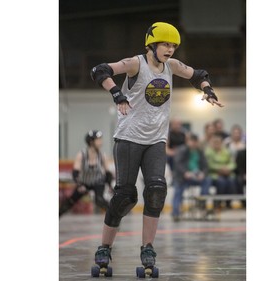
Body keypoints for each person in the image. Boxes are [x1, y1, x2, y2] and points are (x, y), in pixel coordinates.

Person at [89, 21, 224, 275]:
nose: (170, 49)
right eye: (165, 44)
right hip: (129, 138)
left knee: (156, 191)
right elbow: (100, 70)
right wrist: (117, 93)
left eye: (173, 45)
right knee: (125, 195)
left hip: (156, 141)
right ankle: (105, 247)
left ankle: (148, 247)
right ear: (151, 45)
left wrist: (208, 91)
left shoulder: (171, 66)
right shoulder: (135, 64)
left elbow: (199, 75)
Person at [59, 130, 113, 217]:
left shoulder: (102, 155)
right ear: (91, 142)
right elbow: (75, 172)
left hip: (98, 182)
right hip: (84, 182)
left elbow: (108, 173)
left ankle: (114, 219)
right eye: (98, 140)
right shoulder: (82, 155)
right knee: (70, 201)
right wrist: (79, 185)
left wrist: (109, 185)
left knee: (99, 200)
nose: (101, 142)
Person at [171, 133, 212, 222]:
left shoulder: (200, 152)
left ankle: (202, 205)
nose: (193, 143)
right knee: (178, 191)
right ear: (188, 142)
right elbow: (178, 163)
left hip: (196, 176)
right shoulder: (182, 150)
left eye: (195, 142)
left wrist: (203, 174)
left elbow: (205, 166)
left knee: (207, 180)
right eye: (192, 141)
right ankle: (175, 213)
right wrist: (185, 172)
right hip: (183, 177)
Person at [204, 133, 237, 209]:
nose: (216, 144)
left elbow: (232, 163)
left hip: (227, 173)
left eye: (218, 142)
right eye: (215, 142)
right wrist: (220, 168)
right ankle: (218, 202)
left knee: (232, 181)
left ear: (221, 143)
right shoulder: (208, 151)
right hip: (214, 174)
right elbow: (209, 164)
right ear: (211, 142)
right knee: (221, 182)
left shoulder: (226, 151)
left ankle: (228, 202)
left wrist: (228, 168)